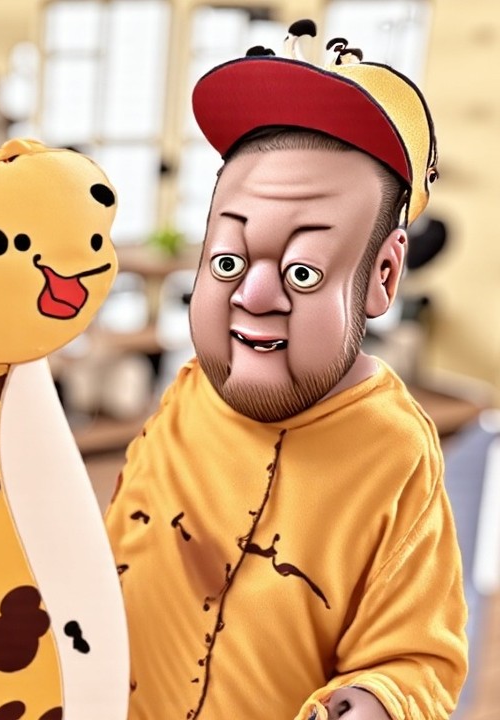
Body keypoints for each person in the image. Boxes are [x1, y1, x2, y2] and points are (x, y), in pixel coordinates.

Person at [105, 20, 468, 720]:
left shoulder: (395, 456)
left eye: (303, 272)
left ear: (382, 275)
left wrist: (376, 700)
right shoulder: (185, 398)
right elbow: (116, 552)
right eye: (228, 261)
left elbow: (418, 657)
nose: (254, 295)